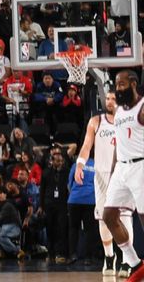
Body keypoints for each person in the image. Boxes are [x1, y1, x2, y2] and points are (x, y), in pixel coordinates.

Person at [75, 90, 135, 275]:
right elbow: (86, 146)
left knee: (125, 217)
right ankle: (109, 257)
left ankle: (127, 261)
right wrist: (79, 164)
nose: (109, 102)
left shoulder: (129, 120)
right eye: (107, 98)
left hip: (124, 172)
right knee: (103, 218)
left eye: (113, 99)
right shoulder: (96, 121)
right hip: (101, 174)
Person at [102, 71, 144, 282]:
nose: (118, 89)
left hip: (141, 166)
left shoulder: (142, 107)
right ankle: (135, 264)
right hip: (121, 168)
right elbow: (118, 146)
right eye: (117, 85)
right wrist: (112, 174)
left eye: (122, 84)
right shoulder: (118, 111)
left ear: (134, 84)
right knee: (108, 216)